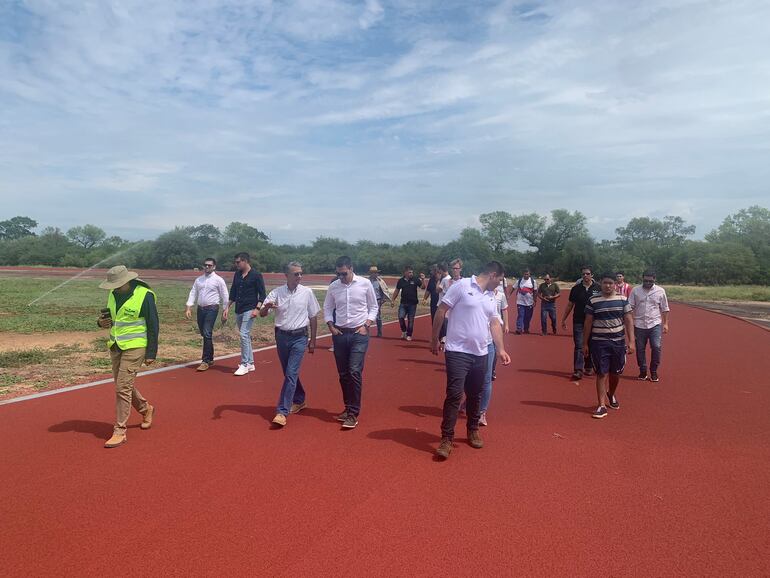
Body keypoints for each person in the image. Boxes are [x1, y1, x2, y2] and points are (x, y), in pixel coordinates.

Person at [430, 261, 512, 460]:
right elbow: (441, 310)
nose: (500, 285)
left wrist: (501, 349)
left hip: (481, 353)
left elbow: (494, 323)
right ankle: (447, 438)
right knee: (454, 394)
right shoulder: (462, 286)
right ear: (493, 275)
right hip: (457, 351)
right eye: (500, 280)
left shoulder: (492, 297)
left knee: (475, 394)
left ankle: (472, 429)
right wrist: (434, 339)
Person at [97, 266, 158, 448]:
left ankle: (120, 430)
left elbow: (154, 325)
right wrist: (101, 322)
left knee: (122, 387)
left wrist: (151, 353)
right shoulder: (113, 295)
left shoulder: (144, 295)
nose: (113, 288)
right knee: (122, 385)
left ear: (126, 281)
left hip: (136, 346)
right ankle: (146, 408)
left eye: (116, 284)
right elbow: (112, 319)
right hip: (116, 345)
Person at [260, 262, 320, 427]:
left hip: (300, 337)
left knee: (291, 373)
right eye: (296, 274)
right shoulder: (277, 293)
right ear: (286, 275)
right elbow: (263, 314)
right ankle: (299, 399)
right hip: (282, 337)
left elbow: (313, 317)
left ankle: (282, 411)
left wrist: (313, 341)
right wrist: (266, 307)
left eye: (301, 273)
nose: (299, 276)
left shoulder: (307, 292)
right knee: (288, 373)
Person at [323, 256, 380, 430]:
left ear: (351, 268)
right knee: (343, 374)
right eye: (338, 274)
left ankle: (353, 413)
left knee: (354, 371)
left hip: (358, 334)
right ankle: (347, 408)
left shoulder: (364, 284)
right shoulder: (334, 286)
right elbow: (327, 307)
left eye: (344, 273)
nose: (341, 277)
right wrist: (330, 326)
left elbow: (374, 306)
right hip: (339, 334)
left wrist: (367, 325)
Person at [582, 273, 635, 419]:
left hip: (618, 342)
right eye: (605, 283)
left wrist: (631, 342)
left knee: (615, 373)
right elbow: (588, 322)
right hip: (599, 342)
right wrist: (584, 343)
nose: (608, 286)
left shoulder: (623, 300)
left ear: (615, 284)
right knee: (601, 373)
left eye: (610, 283)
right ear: (600, 283)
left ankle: (611, 393)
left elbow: (629, 320)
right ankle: (602, 405)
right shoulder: (593, 300)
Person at [224, 252, 267, 376]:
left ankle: (244, 364)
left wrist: (257, 309)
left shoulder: (256, 275)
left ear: (245, 261)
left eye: (238, 262)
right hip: (239, 309)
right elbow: (233, 292)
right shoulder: (237, 275)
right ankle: (251, 363)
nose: (236, 264)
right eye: (235, 262)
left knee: (243, 334)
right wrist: (227, 307)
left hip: (250, 308)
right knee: (246, 336)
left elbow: (262, 294)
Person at [185, 257, 229, 371]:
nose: (207, 267)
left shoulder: (218, 280)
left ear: (214, 267)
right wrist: (189, 307)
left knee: (207, 332)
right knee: (204, 334)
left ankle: (205, 361)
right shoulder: (199, 280)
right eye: (205, 265)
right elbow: (193, 292)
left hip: (212, 308)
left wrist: (225, 309)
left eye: (209, 265)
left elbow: (225, 295)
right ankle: (210, 358)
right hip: (201, 309)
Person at [628, 270, 670, 382]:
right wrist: (630, 321)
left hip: (654, 324)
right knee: (640, 349)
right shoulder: (635, 291)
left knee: (656, 347)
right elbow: (630, 307)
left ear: (654, 279)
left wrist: (665, 324)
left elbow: (665, 308)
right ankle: (642, 370)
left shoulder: (660, 291)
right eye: (645, 280)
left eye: (650, 281)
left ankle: (654, 371)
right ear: (642, 279)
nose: (647, 283)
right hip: (639, 324)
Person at [561, 266, 601, 380]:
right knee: (579, 345)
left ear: (592, 275)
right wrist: (563, 319)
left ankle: (589, 366)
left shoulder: (598, 288)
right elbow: (570, 305)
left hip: (594, 321)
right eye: (583, 274)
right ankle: (578, 370)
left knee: (591, 345)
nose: (585, 276)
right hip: (578, 321)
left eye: (587, 274)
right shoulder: (576, 289)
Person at [478, 281, 509, 426]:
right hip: (475, 344)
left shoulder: (500, 296)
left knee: (487, 378)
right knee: (471, 379)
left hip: (491, 341)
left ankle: (482, 412)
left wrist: (500, 348)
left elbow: (502, 314)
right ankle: (470, 400)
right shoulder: (478, 296)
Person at [392, 266, 421, 341]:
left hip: (413, 304)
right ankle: (404, 331)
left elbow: (423, 287)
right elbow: (397, 290)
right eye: (409, 272)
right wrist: (393, 300)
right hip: (403, 303)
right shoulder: (401, 281)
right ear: (405, 273)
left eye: (412, 272)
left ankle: (409, 334)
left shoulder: (415, 280)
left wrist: (423, 280)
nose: (411, 273)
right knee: (401, 317)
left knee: (410, 320)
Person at [438, 259, 462, 347]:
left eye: (457, 268)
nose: (455, 270)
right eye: (453, 268)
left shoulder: (464, 282)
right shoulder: (447, 281)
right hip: (449, 313)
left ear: (460, 269)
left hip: (460, 314)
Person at [367, 266, 393, 337]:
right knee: (366, 316)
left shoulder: (380, 281)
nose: (375, 274)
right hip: (368, 301)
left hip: (377, 300)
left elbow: (385, 290)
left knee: (377, 316)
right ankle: (366, 331)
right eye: (373, 273)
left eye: (376, 273)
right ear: (370, 273)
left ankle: (379, 332)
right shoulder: (367, 281)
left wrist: (383, 299)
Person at [512, 268, 537, 334]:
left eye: (527, 274)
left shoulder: (533, 281)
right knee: (521, 315)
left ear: (529, 274)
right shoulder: (519, 281)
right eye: (525, 274)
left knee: (528, 316)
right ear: (523, 274)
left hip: (529, 302)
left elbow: (535, 291)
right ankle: (519, 329)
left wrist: (535, 300)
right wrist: (508, 295)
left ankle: (526, 328)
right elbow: (513, 288)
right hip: (520, 302)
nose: (526, 275)